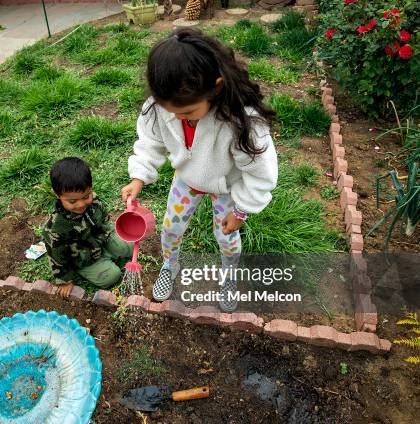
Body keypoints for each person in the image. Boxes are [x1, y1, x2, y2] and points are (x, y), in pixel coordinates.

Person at [120, 28, 278, 311]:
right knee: (171, 228)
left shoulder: (241, 121)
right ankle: (170, 265)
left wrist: (241, 210)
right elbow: (150, 141)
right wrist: (138, 177)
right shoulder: (159, 107)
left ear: (216, 87)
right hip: (187, 180)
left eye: (188, 112)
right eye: (172, 112)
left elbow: (259, 173)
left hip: (227, 186)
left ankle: (229, 277)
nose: (180, 117)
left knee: (227, 238)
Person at [44, 157, 133, 297]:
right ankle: (100, 264)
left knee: (130, 246)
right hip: (83, 259)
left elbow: (104, 218)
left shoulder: (94, 200)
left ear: (90, 188)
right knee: (112, 276)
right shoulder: (55, 228)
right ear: (57, 194)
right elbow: (57, 257)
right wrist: (65, 280)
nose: (80, 205)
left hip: (102, 240)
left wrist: (110, 233)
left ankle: (109, 254)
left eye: (86, 196)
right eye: (72, 201)